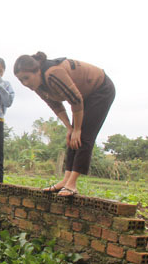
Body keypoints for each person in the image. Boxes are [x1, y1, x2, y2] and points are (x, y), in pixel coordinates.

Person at [14, 52, 115, 196]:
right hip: (83, 96)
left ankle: (72, 184)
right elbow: (56, 106)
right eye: (21, 80)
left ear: (37, 71)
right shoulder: (38, 86)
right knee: (72, 137)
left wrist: (77, 129)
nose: (25, 83)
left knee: (84, 136)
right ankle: (66, 180)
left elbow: (76, 100)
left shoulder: (53, 74)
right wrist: (70, 128)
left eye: (26, 78)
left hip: (101, 89)